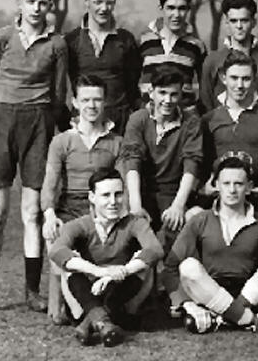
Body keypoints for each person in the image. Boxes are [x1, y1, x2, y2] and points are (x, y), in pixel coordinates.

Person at [0, 0, 68, 318]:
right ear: (20, 2)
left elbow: (59, 94)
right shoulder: (1, 38)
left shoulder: (56, 45)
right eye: (31, 1)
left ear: (50, 5)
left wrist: (51, 126)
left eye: (43, 3)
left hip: (38, 123)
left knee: (32, 212)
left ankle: (32, 292)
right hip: (1, 122)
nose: (37, 8)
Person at [163, 155, 258, 333]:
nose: (232, 190)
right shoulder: (200, 220)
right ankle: (248, 319)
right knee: (188, 266)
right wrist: (187, 304)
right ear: (216, 186)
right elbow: (171, 267)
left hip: (250, 294)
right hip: (210, 294)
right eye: (226, 183)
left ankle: (230, 316)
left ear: (249, 187)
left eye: (238, 184)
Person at [41, 75, 123, 324]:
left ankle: (91, 314)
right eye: (85, 100)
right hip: (70, 208)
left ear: (105, 102)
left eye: (97, 99)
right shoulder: (62, 141)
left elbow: (122, 186)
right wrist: (49, 214)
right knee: (59, 243)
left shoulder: (116, 142)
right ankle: (77, 310)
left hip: (103, 208)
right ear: (75, 103)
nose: (92, 105)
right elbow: (50, 182)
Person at [49, 168, 163, 347]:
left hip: (120, 300)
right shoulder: (78, 225)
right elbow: (56, 251)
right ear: (92, 197)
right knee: (69, 263)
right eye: (105, 195)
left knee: (143, 261)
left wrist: (120, 272)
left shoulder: (135, 223)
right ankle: (101, 321)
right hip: (86, 296)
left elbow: (155, 249)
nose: (113, 202)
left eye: (118, 194)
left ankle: (91, 322)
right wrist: (99, 271)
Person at [121, 67, 203, 252]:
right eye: (162, 93)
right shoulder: (138, 119)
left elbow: (192, 164)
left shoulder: (191, 122)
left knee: (180, 233)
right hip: (142, 191)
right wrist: (136, 205)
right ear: (151, 92)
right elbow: (132, 161)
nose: (168, 100)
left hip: (173, 192)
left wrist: (178, 205)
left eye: (174, 94)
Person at [199, 50, 258, 217]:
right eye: (234, 78)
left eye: (246, 79)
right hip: (219, 196)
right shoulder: (208, 120)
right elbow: (200, 161)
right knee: (192, 216)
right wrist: (204, 188)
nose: (240, 85)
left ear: (254, 80)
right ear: (223, 78)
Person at [64, 0, 142, 135]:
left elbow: (133, 88)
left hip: (119, 124)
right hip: (83, 123)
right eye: (98, 2)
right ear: (86, 1)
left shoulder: (126, 39)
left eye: (109, 2)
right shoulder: (71, 40)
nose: (104, 8)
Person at [200, 0, 258, 111]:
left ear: (253, 22)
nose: (239, 26)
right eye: (234, 21)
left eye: (244, 20)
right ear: (226, 23)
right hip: (222, 121)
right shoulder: (213, 60)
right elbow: (205, 101)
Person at [140, 0, 207, 110]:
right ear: (161, 8)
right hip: (149, 115)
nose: (176, 14)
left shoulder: (196, 46)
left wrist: (195, 111)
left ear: (188, 9)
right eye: (171, 8)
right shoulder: (144, 41)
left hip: (184, 116)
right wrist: (140, 106)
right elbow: (130, 82)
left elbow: (205, 86)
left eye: (182, 8)